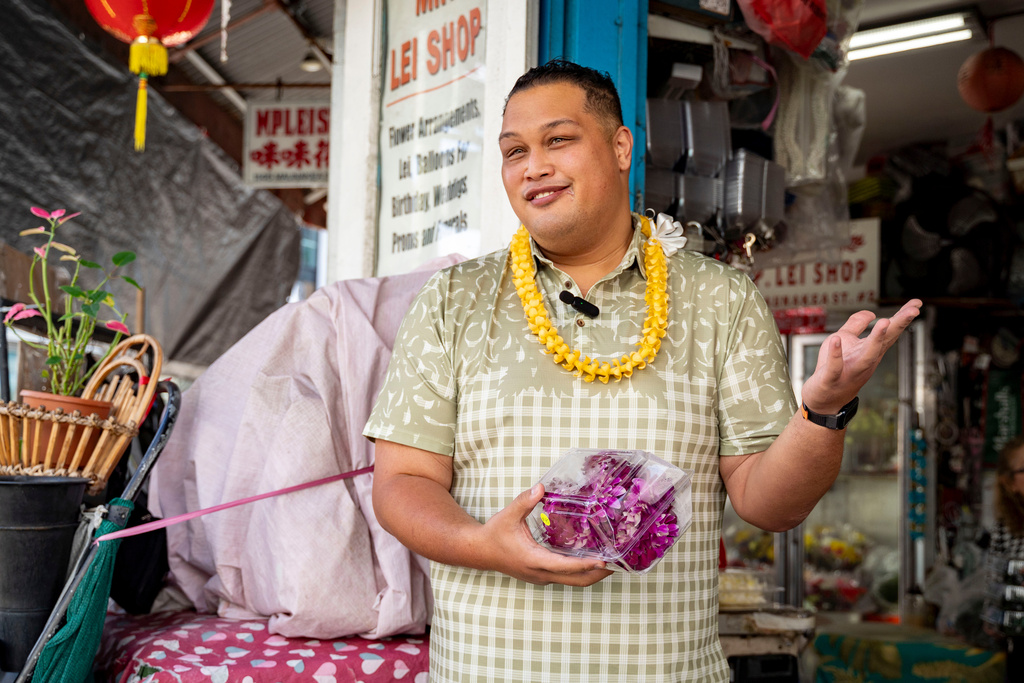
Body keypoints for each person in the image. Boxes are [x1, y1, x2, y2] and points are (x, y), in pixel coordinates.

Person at [364, 59, 921, 682]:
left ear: (620, 146)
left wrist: (824, 410)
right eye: (513, 150)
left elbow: (771, 505)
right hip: (488, 669)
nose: (533, 166)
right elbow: (401, 483)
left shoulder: (721, 299)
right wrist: (482, 546)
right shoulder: (452, 300)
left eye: (558, 140)